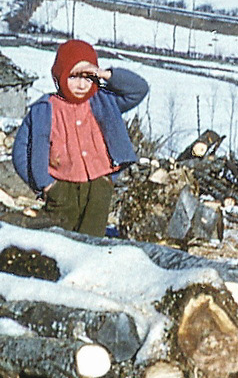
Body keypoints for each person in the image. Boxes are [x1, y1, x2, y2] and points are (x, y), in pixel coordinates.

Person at [11, 39, 145, 236]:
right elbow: (20, 151)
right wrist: (45, 185)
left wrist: (104, 73)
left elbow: (138, 90)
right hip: (61, 188)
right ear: (60, 76)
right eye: (73, 77)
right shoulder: (45, 109)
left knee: (91, 241)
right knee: (59, 241)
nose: (82, 84)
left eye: (88, 77)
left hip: (99, 185)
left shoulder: (104, 100)